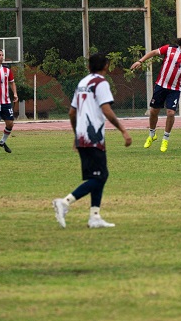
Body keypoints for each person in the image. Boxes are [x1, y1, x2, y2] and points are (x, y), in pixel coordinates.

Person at [52, 53, 132, 229]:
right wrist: (123, 130)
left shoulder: (82, 83)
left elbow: (71, 113)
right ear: (105, 66)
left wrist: (76, 135)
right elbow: (106, 110)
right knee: (101, 176)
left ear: (89, 67)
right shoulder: (101, 83)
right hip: (94, 136)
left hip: (82, 136)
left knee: (96, 176)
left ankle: (94, 216)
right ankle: (65, 202)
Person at [129, 36, 181, 153]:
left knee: (171, 113)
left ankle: (165, 138)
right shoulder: (169, 49)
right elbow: (154, 52)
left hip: (174, 89)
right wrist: (140, 61)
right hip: (161, 85)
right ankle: (152, 134)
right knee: (154, 111)